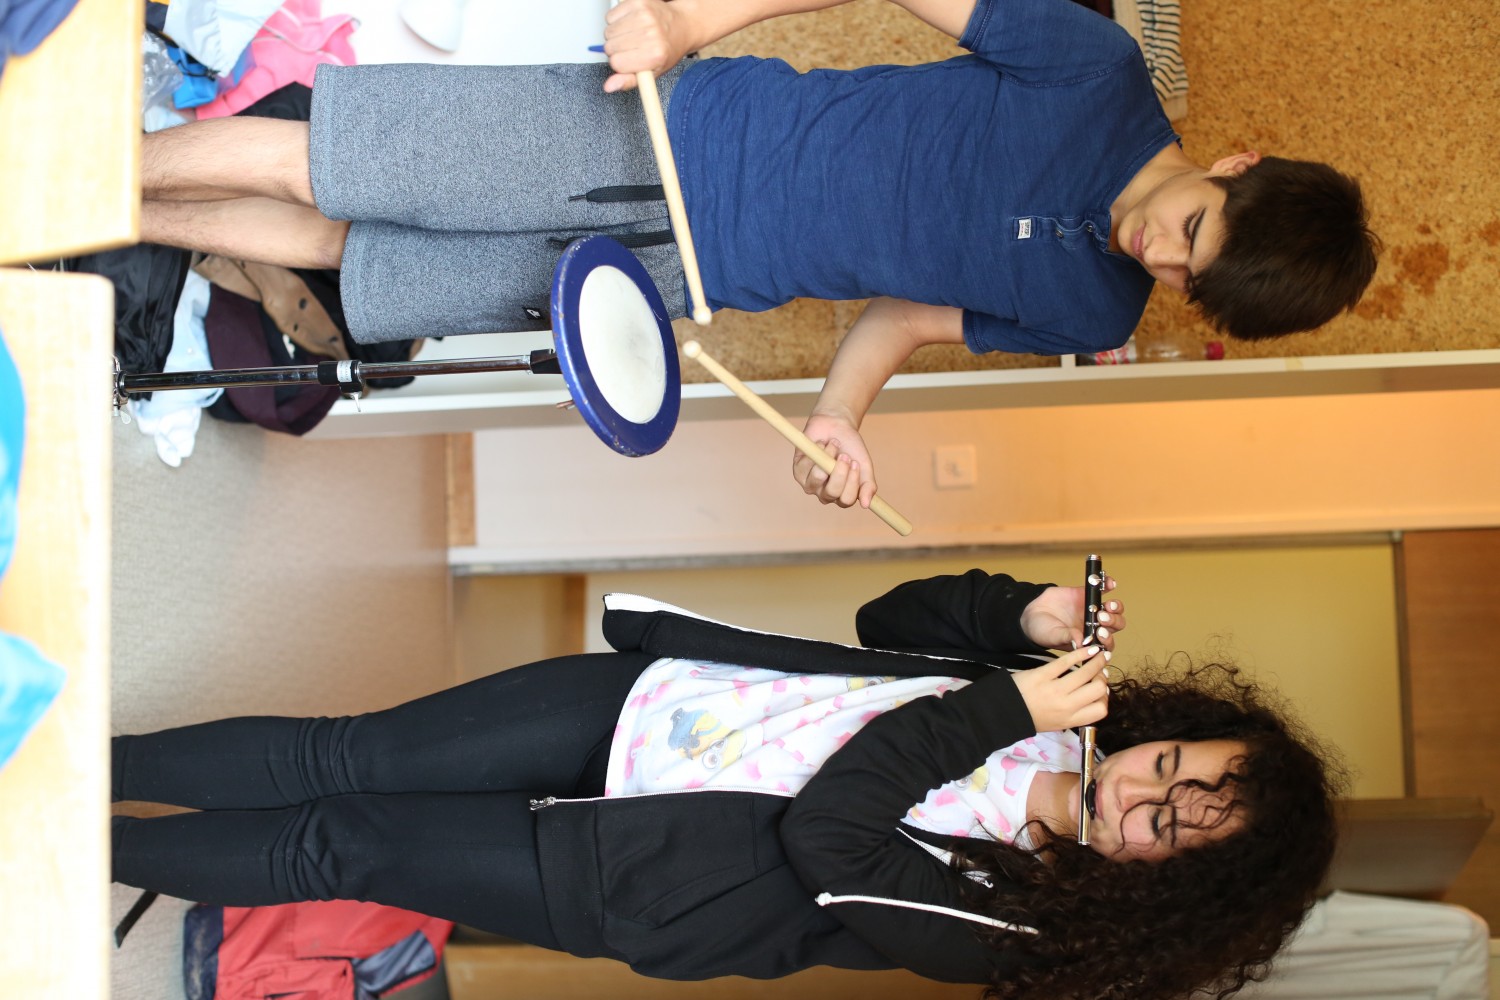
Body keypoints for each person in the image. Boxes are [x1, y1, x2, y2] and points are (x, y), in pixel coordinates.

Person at [137, 0, 1379, 511]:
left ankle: (102, 213)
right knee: (324, 165)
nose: (1158, 256)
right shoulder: (1096, 68)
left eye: (1186, 281)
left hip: (685, 280)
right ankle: (61, 176)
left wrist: (841, 416)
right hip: (676, 131)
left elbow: (904, 316)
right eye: (1192, 230)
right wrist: (681, 21)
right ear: (1234, 163)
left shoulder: (1092, 309)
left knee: (352, 252)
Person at [113, 569, 1343, 999]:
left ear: (1168, 887)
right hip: (662, 706)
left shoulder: (1027, 921)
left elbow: (833, 842)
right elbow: (885, 626)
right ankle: (81, 763)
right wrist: (1014, 616)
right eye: (1168, 765)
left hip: (638, 871)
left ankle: (67, 841)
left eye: (1168, 824)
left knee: (341, 844)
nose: (1139, 792)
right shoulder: (1062, 707)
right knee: (346, 752)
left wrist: (1000, 707)